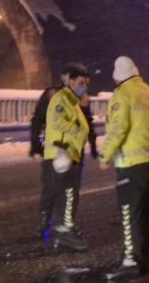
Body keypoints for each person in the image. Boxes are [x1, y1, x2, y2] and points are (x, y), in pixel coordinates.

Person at [99, 56, 149, 280]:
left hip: (130, 164)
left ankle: (130, 261)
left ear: (118, 78)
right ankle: (145, 260)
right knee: (147, 213)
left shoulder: (122, 95)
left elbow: (118, 128)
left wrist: (104, 154)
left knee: (130, 214)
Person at [29, 62, 98, 239]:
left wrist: (92, 143)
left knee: (72, 190)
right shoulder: (52, 95)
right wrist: (35, 143)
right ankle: (44, 223)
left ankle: (67, 225)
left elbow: (87, 121)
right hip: (58, 150)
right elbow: (38, 120)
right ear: (65, 77)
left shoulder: (80, 98)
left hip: (75, 151)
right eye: (73, 77)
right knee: (51, 187)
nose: (83, 86)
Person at [44, 67, 91, 250]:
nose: (84, 87)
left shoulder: (73, 101)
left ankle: (65, 229)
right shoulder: (62, 99)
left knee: (70, 195)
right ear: (71, 82)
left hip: (69, 155)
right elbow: (58, 120)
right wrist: (79, 130)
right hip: (61, 155)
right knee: (68, 195)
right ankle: (64, 232)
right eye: (81, 83)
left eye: (87, 84)